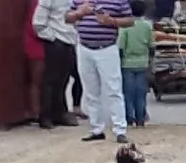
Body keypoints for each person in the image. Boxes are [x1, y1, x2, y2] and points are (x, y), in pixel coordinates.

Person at [66, 0, 135, 143]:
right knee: (90, 91)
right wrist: (79, 13)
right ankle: (96, 129)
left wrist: (111, 21)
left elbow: (130, 20)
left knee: (113, 90)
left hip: (107, 48)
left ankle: (120, 129)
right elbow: (67, 18)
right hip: (84, 48)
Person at [33, 0, 81, 129]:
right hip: (55, 42)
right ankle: (45, 116)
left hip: (70, 41)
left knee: (63, 80)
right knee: (50, 80)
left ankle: (59, 113)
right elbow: (38, 23)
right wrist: (53, 38)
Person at [118, 0, 154, 127]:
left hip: (127, 64)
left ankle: (129, 117)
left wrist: (119, 62)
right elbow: (151, 46)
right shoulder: (147, 26)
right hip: (142, 64)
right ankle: (140, 118)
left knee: (128, 93)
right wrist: (150, 62)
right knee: (141, 93)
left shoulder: (125, 26)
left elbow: (121, 46)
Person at [24, 0, 45, 124]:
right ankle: (35, 111)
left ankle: (38, 110)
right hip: (36, 45)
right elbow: (34, 26)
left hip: (40, 44)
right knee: (36, 81)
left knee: (39, 81)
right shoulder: (38, 3)